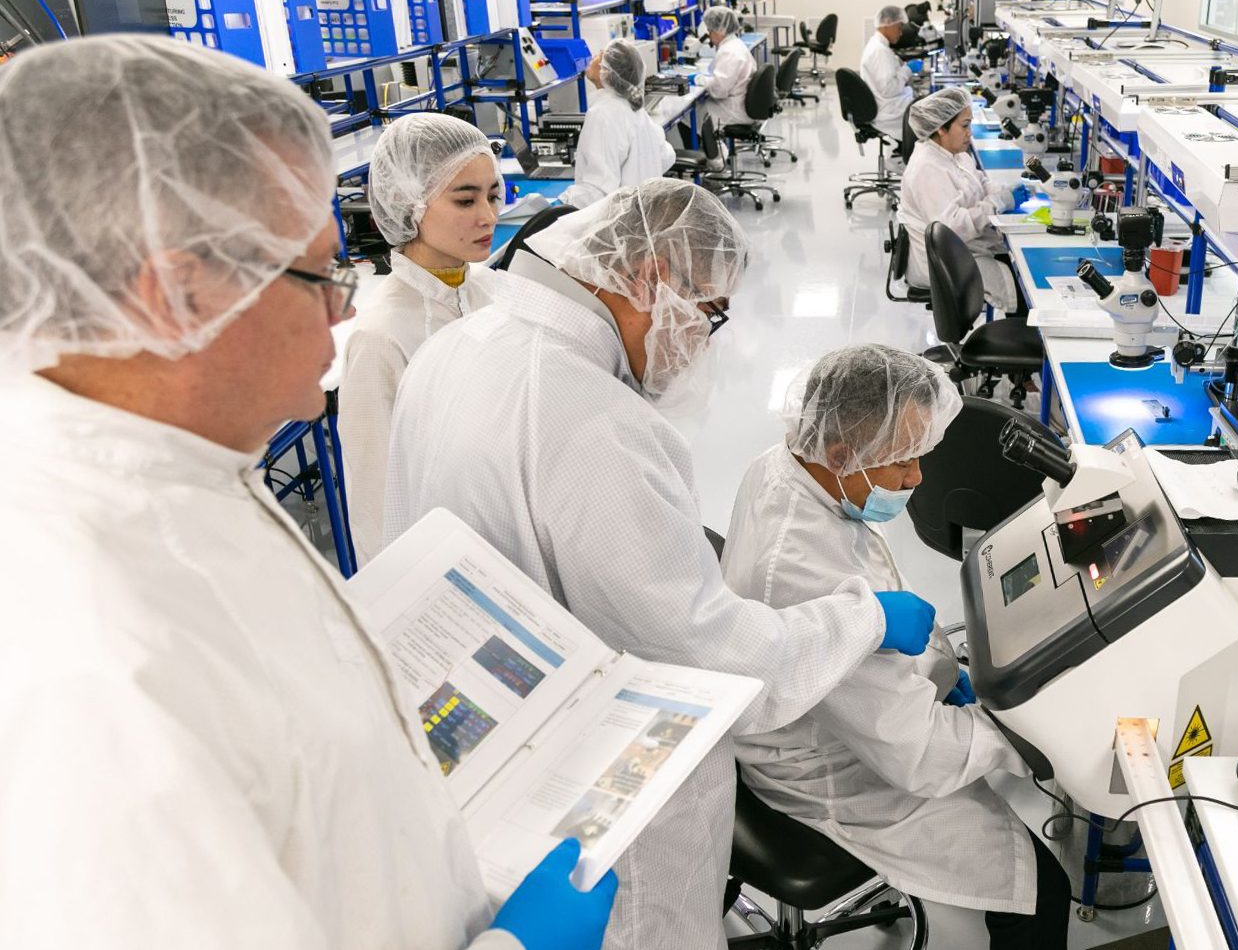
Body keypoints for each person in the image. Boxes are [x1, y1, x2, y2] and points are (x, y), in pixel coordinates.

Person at [0, 35, 612, 949]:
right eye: (321, 272)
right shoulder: (86, 654)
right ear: (177, 296)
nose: (341, 305)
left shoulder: (187, 470)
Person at [381, 178, 940, 950]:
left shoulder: (456, 345)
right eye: (708, 312)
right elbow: (715, 656)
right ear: (652, 278)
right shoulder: (587, 417)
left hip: (483, 765)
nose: (703, 341)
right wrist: (866, 617)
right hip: (608, 805)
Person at [723, 344, 1072, 949]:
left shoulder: (790, 466)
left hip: (831, 717)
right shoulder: (805, 568)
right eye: (901, 461)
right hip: (830, 772)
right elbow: (917, 756)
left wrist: (942, 671)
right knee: (1043, 891)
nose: (917, 478)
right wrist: (1023, 733)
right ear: (841, 453)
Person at [341, 113, 502, 567]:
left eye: (492, 195)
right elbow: (375, 501)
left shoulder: (492, 292)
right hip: (439, 560)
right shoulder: (381, 339)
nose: (488, 216)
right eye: (465, 201)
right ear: (407, 203)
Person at [898, 87, 1023, 312]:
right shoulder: (927, 168)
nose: (970, 133)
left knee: (1018, 267)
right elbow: (952, 229)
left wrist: (1006, 191)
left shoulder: (956, 155)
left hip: (965, 248)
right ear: (941, 128)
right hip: (943, 262)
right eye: (965, 125)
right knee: (1022, 289)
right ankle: (1020, 341)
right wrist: (998, 203)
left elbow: (981, 184)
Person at [560, 39, 677, 210]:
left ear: (606, 72)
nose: (592, 59)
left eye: (599, 56)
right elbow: (667, 156)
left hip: (617, 222)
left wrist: (562, 201)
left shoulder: (602, 114)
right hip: (643, 215)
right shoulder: (634, 108)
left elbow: (598, 191)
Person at [861, 4, 918, 137]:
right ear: (887, 23)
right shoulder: (880, 50)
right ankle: (914, 154)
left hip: (882, 104)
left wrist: (899, 65)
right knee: (928, 115)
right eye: (899, 27)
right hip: (887, 112)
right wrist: (908, 69)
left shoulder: (877, 45)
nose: (901, 32)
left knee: (917, 99)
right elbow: (889, 89)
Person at [695, 6, 755, 127]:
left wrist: (700, 80)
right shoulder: (735, 44)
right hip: (741, 103)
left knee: (690, 114)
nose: (709, 36)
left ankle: (707, 145)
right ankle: (708, 144)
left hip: (734, 110)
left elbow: (719, 91)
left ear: (719, 30)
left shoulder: (729, 51)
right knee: (697, 110)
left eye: (710, 31)